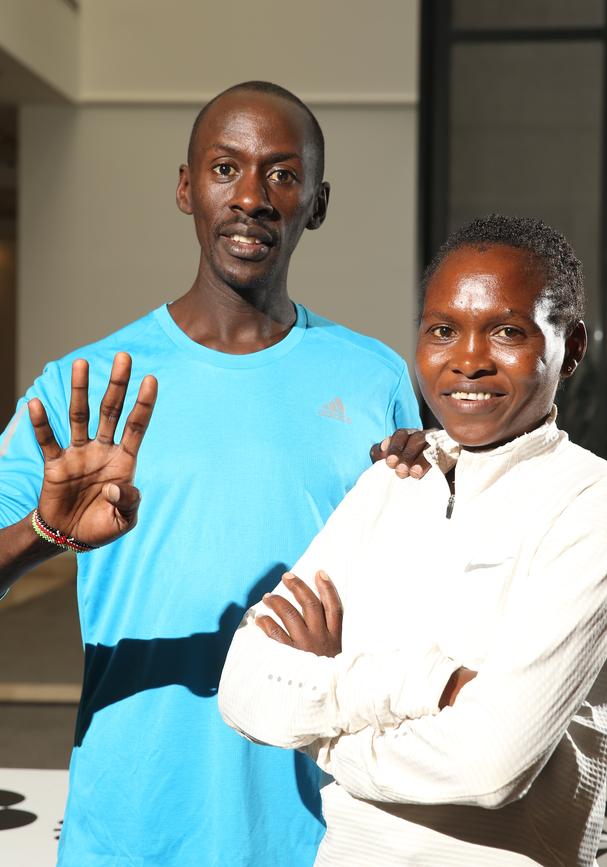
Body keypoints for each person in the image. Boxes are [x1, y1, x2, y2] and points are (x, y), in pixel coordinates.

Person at [0, 81, 428, 867]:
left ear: (317, 202)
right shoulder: (89, 384)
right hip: (134, 833)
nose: (253, 198)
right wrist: (46, 531)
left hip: (320, 832)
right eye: (225, 168)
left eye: (283, 174)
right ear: (185, 187)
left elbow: (422, 594)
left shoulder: (377, 378)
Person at [219, 214, 607, 867]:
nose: (468, 358)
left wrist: (316, 730)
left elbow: (490, 766)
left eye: (507, 330)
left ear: (574, 347)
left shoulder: (602, 504)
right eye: (443, 329)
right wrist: (430, 684)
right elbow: (242, 684)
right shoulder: (392, 482)